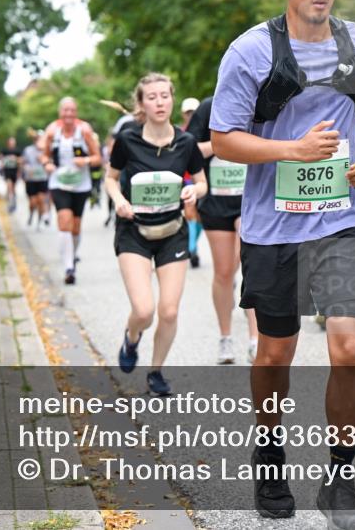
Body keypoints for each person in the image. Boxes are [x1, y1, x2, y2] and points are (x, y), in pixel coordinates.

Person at [211, 0, 355, 528]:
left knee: (348, 348)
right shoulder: (250, 52)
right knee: (275, 352)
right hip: (273, 228)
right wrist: (290, 151)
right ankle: (270, 455)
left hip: (343, 221)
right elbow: (223, 141)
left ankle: (340, 481)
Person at [106, 73, 207, 397]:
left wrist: (195, 192)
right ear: (141, 103)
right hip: (134, 231)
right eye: (152, 97)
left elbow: (202, 181)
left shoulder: (186, 143)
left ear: (172, 100)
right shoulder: (128, 140)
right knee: (145, 310)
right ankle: (131, 337)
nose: (159, 102)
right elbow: (111, 178)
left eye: (165, 95)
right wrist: (120, 201)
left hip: (171, 232)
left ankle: (156, 371)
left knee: (169, 310)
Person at [186, 96, 260, 364]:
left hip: (249, 200)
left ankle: (254, 340)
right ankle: (225, 338)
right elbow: (190, 149)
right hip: (216, 201)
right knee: (224, 271)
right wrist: (222, 145)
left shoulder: (258, 103)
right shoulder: (209, 107)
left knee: (251, 266)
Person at [40, 97, 102, 285]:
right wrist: (47, 164)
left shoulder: (84, 132)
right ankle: (68, 267)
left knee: (75, 226)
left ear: (76, 113)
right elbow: (44, 155)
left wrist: (85, 161)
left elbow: (98, 157)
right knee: (64, 221)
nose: (68, 114)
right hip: (59, 183)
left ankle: (72, 255)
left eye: (72, 110)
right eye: (65, 110)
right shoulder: (53, 132)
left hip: (80, 185)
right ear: (60, 112)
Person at [181, 97, 203, 267]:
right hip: (185, 179)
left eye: (194, 112)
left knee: (200, 217)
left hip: (203, 179)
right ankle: (192, 249)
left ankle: (190, 244)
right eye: (188, 112)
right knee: (190, 212)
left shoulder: (206, 131)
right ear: (183, 114)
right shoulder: (179, 134)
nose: (191, 115)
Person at [20, 130, 50, 229]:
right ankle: (31, 214)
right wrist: (24, 172)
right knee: (33, 202)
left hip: (42, 178)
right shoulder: (28, 150)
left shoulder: (46, 150)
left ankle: (41, 219)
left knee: (41, 199)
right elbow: (23, 162)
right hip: (31, 179)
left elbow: (51, 162)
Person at [1, 137, 21, 212]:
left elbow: (21, 161)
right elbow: (1, 159)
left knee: (13, 187)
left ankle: (14, 200)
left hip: (14, 171)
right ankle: (10, 200)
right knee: (9, 185)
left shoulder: (17, 151)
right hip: (7, 171)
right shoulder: (5, 150)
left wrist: (15, 159)